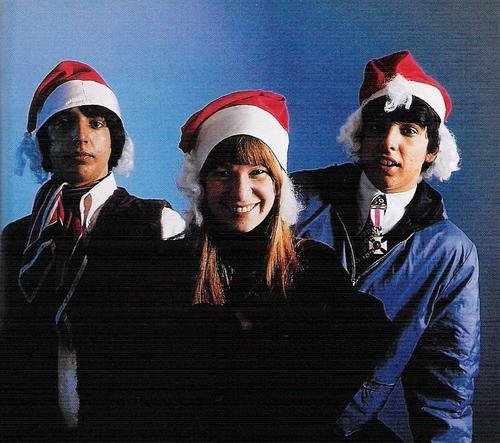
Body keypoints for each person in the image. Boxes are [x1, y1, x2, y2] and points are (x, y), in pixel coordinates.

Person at [138, 90, 400, 442]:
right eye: (223, 174)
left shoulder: (313, 267)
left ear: (278, 184)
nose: (240, 192)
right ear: (201, 184)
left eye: (257, 172)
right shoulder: (166, 268)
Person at [291, 51, 480, 442]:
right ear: (360, 137)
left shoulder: (450, 253)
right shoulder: (295, 199)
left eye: (408, 130)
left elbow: (446, 385)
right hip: (257, 410)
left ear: (432, 150)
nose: (389, 142)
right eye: (378, 127)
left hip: (345, 428)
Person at [0, 60, 185, 440]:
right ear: (44, 144)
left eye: (96, 123)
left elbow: (183, 350)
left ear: (114, 140)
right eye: (64, 124)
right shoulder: (16, 239)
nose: (81, 137)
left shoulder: (158, 223)